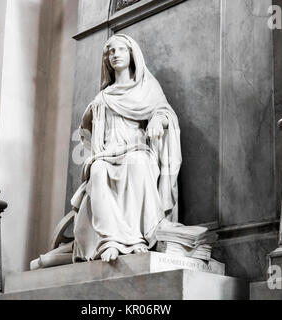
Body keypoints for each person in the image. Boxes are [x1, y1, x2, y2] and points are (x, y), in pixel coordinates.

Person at [70, 34, 182, 263]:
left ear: (132, 54)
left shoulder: (146, 87)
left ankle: (136, 238)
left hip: (138, 148)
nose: (115, 55)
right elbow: (86, 132)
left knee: (138, 164)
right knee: (98, 171)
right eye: (111, 51)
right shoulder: (103, 96)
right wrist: (91, 115)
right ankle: (109, 240)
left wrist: (156, 121)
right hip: (107, 153)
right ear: (106, 59)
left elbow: (164, 111)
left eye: (121, 50)